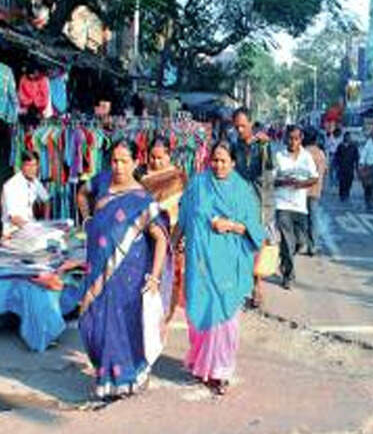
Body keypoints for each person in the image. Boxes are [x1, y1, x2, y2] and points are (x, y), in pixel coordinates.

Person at [76, 140, 171, 400]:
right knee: (92, 322)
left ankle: (124, 378)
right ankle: (107, 374)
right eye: (114, 161)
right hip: (97, 267)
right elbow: (82, 193)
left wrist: (155, 276)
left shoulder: (141, 198)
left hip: (129, 273)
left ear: (136, 162)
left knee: (122, 325)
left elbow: (161, 238)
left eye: (124, 161)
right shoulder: (102, 181)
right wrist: (87, 220)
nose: (118, 166)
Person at [179, 140, 266, 396]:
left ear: (233, 163)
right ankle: (200, 363)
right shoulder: (197, 184)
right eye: (214, 160)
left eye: (223, 161)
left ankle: (221, 370)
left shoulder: (242, 190)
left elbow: (256, 231)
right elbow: (184, 218)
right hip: (200, 263)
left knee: (225, 320)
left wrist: (230, 225)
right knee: (200, 313)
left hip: (229, 264)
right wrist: (172, 247)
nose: (218, 165)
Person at [142, 135, 188, 320]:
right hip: (150, 233)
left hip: (175, 232)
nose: (156, 161)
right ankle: (151, 314)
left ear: (169, 156)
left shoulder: (179, 176)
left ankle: (166, 315)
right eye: (152, 157)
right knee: (151, 272)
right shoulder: (142, 176)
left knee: (174, 276)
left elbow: (186, 205)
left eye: (160, 158)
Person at [230, 107, 272, 308]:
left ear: (251, 124)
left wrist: (264, 145)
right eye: (236, 126)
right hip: (236, 201)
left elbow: (268, 172)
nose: (239, 130)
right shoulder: (233, 145)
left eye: (243, 126)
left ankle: (258, 285)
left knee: (257, 243)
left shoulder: (262, 145)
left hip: (257, 201)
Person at [273, 126, 318, 289]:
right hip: (282, 204)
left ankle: (284, 257)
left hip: (300, 206)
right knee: (287, 240)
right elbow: (271, 179)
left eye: (296, 139)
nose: (293, 142)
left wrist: (300, 184)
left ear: (301, 139)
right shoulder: (279, 156)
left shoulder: (306, 157)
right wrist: (284, 182)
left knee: (299, 242)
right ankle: (288, 276)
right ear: (285, 138)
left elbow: (314, 178)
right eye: (290, 138)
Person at [1, 149, 49, 238]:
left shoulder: (35, 182)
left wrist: (46, 220)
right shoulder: (11, 185)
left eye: (34, 165)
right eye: (28, 166)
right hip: (14, 230)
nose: (32, 169)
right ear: (22, 166)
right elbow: (14, 218)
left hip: (30, 227)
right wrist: (34, 229)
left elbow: (46, 199)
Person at [302, 131, 327, 255]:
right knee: (313, 218)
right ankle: (312, 245)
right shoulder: (321, 154)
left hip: (301, 190)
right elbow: (325, 171)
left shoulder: (303, 152)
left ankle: (300, 243)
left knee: (301, 217)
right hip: (315, 190)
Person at [334, 132, 359, 202]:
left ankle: (347, 194)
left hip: (350, 167)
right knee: (342, 182)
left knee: (349, 181)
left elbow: (356, 157)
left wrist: (357, 167)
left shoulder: (353, 147)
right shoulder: (340, 146)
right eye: (346, 137)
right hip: (342, 168)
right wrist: (336, 165)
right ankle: (342, 196)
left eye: (349, 137)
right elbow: (337, 156)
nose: (348, 138)